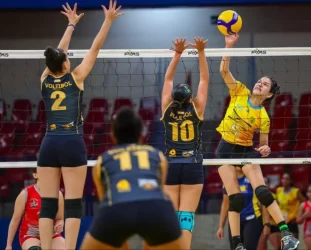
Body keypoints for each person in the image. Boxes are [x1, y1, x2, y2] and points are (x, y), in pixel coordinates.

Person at [37, 1, 123, 249]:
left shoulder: (44, 80)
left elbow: (58, 53)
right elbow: (95, 47)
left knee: (48, 203)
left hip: (49, 142)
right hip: (72, 141)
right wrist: (107, 21)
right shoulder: (76, 77)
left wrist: (71, 25)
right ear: (65, 65)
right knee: (73, 202)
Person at [216, 33, 298, 250]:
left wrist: (265, 149)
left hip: (244, 150)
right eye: (260, 81)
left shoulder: (264, 117)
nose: (260, 84)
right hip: (224, 149)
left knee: (261, 192)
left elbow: (263, 145)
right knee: (235, 199)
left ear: (269, 95)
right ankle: (237, 244)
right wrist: (228, 45)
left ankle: (286, 234)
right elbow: (223, 71)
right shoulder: (239, 91)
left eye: (265, 85)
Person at [80, 107, 185, 250]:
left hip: (116, 209)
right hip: (156, 208)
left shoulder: (101, 161)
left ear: (113, 135)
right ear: (141, 134)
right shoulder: (158, 156)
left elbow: (105, 199)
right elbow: (159, 190)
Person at [160, 37, 209, 248]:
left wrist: (177, 53)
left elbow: (167, 80)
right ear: (190, 100)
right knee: (186, 217)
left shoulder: (166, 108)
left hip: (170, 164)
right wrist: (200, 52)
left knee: (170, 219)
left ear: (172, 98)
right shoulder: (197, 108)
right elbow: (204, 81)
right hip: (192, 165)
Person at [6, 168, 65, 250]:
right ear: (35, 175)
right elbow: (15, 220)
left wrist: (60, 224)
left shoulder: (58, 194)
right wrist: (9, 245)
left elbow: (60, 219)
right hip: (30, 234)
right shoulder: (25, 194)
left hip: (51, 234)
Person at [216, 167, 266, 250]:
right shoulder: (228, 179)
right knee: (235, 248)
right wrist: (221, 226)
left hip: (252, 218)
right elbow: (225, 204)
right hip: (235, 220)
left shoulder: (252, 177)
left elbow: (264, 201)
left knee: (249, 247)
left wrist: (267, 223)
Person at [272, 173, 305, 245]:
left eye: (287, 179)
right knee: (281, 246)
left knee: (292, 246)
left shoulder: (296, 191)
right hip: (281, 222)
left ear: (291, 181)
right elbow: (276, 205)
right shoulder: (279, 190)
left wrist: (299, 215)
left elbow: (305, 204)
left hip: (291, 221)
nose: (285, 180)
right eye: (283, 178)